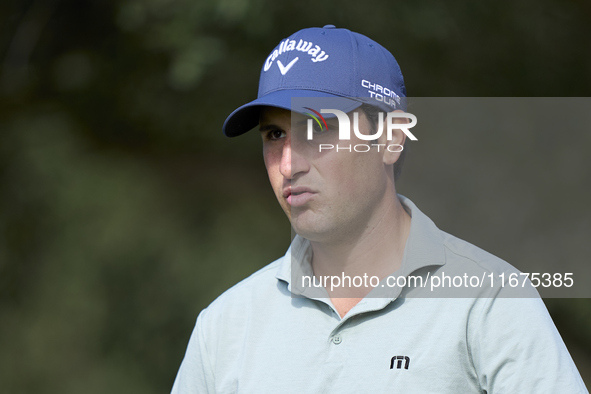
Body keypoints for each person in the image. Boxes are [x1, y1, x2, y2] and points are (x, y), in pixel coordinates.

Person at [172, 25, 587, 393]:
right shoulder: (225, 326)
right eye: (275, 134)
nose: (288, 164)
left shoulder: (490, 301)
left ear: (391, 139)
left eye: (318, 127)